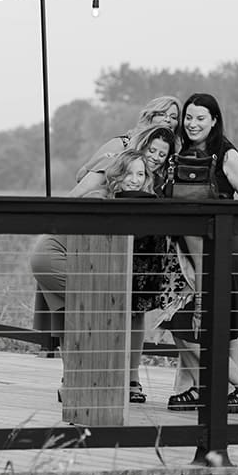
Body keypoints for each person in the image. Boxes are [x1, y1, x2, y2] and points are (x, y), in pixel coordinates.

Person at [32, 149, 168, 404]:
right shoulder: (101, 196)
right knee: (96, 305)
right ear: (117, 174)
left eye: (141, 174)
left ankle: (75, 381)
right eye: (129, 173)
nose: (135, 179)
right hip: (54, 255)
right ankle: (85, 380)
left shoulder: (137, 200)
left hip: (65, 256)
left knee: (72, 311)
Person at [163, 92, 238, 413]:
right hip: (191, 257)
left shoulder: (228, 157)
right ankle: (213, 390)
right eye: (188, 117)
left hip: (228, 253)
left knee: (203, 325)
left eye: (200, 118)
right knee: (202, 325)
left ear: (214, 121)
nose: (192, 124)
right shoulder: (177, 156)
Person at [70, 96, 181, 195]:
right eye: (162, 114)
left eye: (173, 117)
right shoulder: (121, 145)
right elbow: (81, 177)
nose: (167, 120)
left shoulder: (171, 157)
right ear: (149, 117)